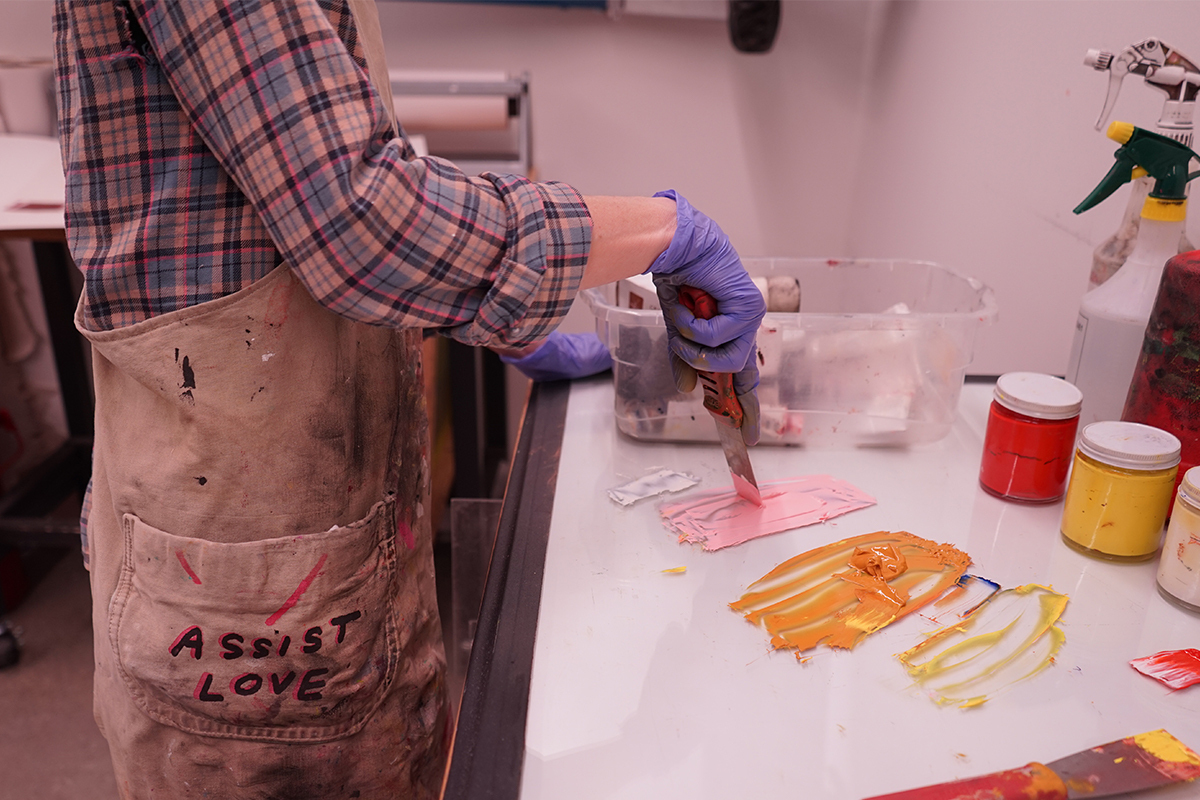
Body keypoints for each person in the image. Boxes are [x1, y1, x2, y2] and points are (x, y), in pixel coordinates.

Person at [53, 1, 764, 797]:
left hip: (313, 532)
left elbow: (270, 206)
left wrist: (469, 309)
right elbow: (361, 217)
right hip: (242, 570)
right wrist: (668, 233)